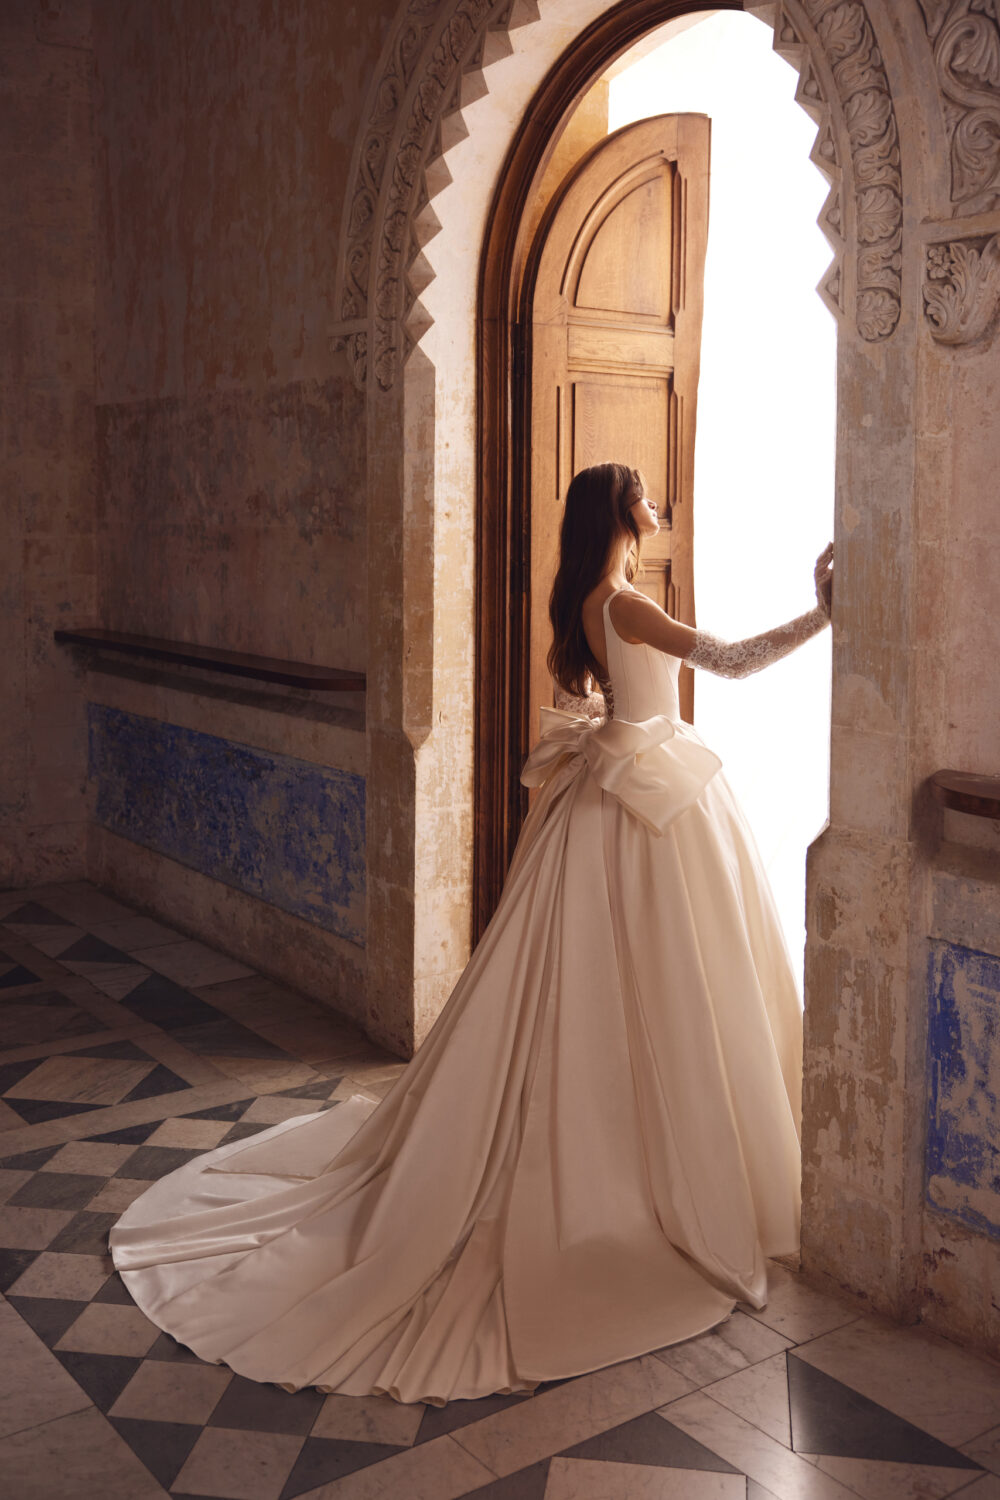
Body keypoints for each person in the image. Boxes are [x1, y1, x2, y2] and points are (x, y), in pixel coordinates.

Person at [109, 461, 833, 1407]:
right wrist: (825, 612)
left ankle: (623, 1142)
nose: (659, 507)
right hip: (642, 807)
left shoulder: (589, 598)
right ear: (620, 514)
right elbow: (729, 664)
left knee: (605, 990)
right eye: (647, 497)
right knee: (658, 985)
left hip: (625, 796)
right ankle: (635, 1169)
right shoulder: (626, 604)